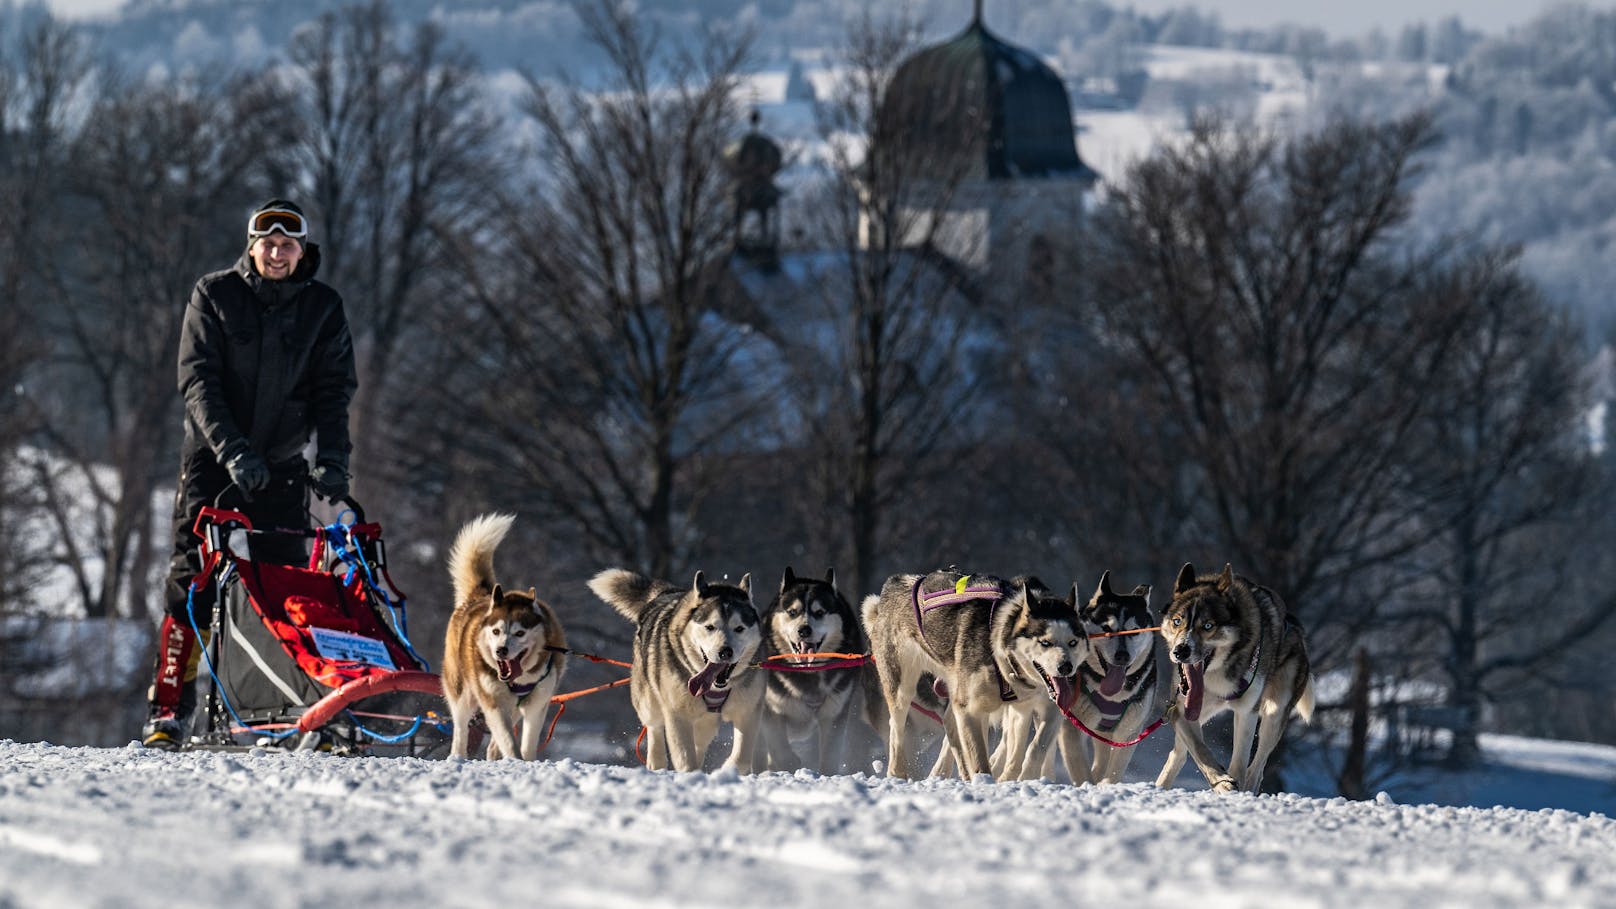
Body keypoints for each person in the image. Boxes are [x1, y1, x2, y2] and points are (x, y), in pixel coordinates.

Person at [141, 199, 357, 749]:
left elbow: (334, 393)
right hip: (214, 465)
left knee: (283, 590)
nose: (278, 252)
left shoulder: (323, 308)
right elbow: (198, 383)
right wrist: (234, 451)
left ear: (302, 250)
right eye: (269, 243)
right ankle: (169, 709)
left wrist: (334, 460)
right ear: (252, 245)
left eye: (289, 244)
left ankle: (290, 711)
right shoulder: (214, 294)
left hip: (283, 469)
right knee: (193, 584)